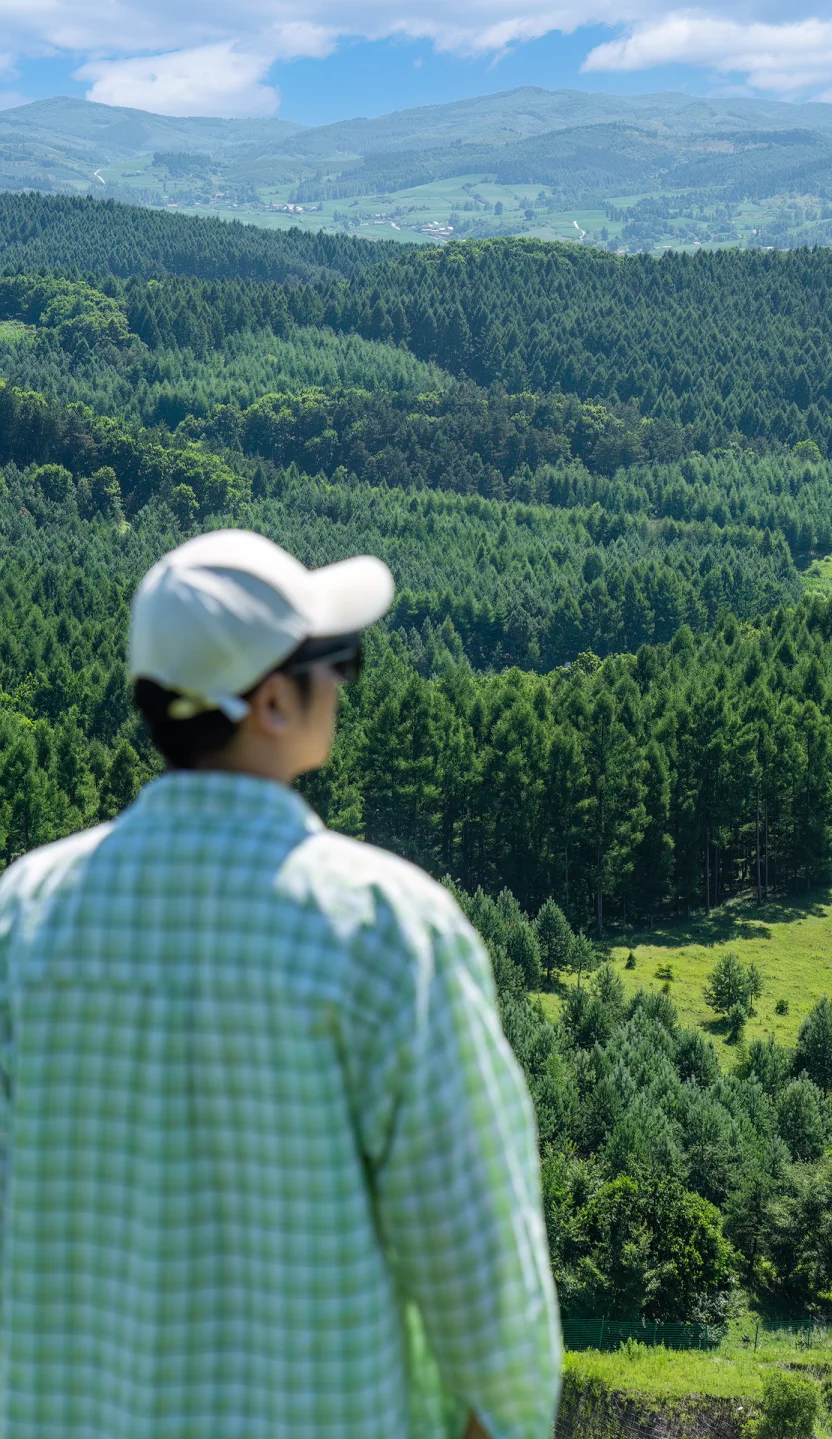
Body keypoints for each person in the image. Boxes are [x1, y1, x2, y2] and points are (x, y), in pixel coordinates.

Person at [0, 531, 561, 1439]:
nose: (343, 682)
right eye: (337, 659)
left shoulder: (23, 919)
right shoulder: (385, 928)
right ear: (268, 699)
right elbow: (480, 1267)